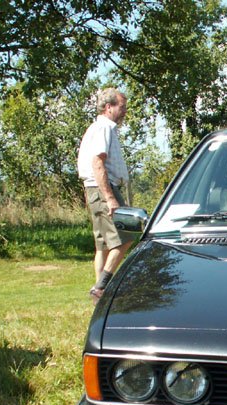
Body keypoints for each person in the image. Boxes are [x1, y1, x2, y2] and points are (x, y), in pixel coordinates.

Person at [77, 87, 135, 304]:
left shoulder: (99, 128)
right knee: (125, 238)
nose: (125, 111)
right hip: (103, 189)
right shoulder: (104, 128)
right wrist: (110, 198)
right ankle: (101, 287)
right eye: (122, 107)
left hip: (96, 189)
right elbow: (98, 163)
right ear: (109, 107)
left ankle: (99, 294)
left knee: (102, 244)